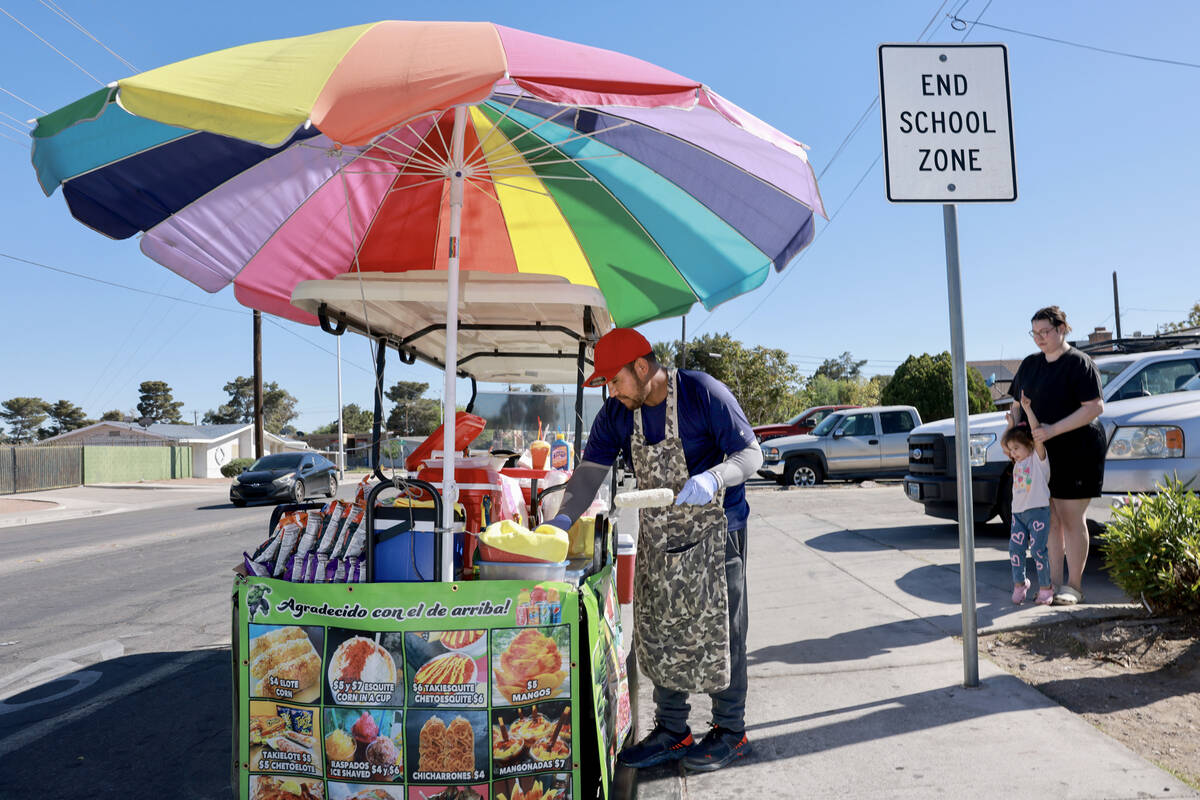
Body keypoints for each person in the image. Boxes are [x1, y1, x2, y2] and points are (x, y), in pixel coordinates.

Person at [540, 327, 762, 773]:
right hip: (660, 537)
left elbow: (751, 454)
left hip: (718, 532)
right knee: (658, 629)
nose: (611, 390)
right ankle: (673, 729)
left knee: (722, 629)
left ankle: (731, 732)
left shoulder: (703, 393)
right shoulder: (618, 412)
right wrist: (562, 520)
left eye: (615, 379)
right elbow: (588, 474)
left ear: (642, 368)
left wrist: (714, 478)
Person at [1007, 306, 1105, 605]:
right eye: (1034, 333)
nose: (1039, 338)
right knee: (1048, 520)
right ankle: (1052, 586)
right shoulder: (1030, 365)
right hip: (1040, 456)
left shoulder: (1079, 363)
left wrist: (1052, 430)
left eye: (1045, 332)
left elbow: (1094, 407)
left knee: (1071, 518)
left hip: (1078, 451)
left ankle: (1073, 587)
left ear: (1062, 329)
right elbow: (1016, 405)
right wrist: (1013, 427)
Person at [1002, 394, 1054, 606]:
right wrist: (1011, 425)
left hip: (1038, 511)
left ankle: (1045, 588)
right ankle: (1019, 584)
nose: (1012, 454)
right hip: (1019, 514)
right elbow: (1006, 444)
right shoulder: (1017, 462)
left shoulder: (1038, 459)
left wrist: (1027, 409)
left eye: (1017, 449)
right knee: (1015, 549)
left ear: (1029, 445)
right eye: (1012, 450)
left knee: (1038, 551)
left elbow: (1036, 434)